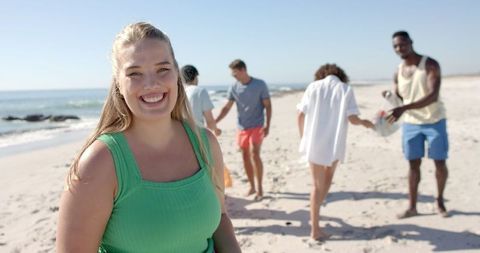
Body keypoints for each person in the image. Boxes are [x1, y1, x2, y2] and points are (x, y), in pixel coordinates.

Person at [56, 22, 241, 253]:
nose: (151, 84)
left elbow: (221, 221)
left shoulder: (205, 143)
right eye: (135, 73)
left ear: (176, 74)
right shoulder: (100, 162)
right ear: (118, 85)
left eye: (163, 69)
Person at [297, 64, 374, 240]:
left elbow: (300, 115)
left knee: (316, 186)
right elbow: (353, 119)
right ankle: (316, 220)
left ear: (321, 74)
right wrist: (365, 123)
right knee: (327, 180)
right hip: (334, 143)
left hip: (314, 143)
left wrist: (304, 138)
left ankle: (314, 227)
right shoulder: (345, 89)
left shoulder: (313, 87)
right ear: (340, 75)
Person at [385, 31, 449, 219]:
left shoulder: (429, 64)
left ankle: (440, 201)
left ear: (411, 42)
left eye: (402, 44)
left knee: (439, 162)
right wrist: (390, 99)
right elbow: (399, 100)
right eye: (395, 46)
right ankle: (412, 206)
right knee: (413, 165)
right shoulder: (398, 71)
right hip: (411, 123)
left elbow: (433, 96)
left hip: (434, 121)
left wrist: (404, 107)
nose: (399, 48)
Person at [216, 59, 271, 200]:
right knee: (245, 155)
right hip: (242, 127)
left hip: (257, 125)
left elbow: (268, 105)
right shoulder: (234, 87)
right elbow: (227, 107)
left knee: (254, 153)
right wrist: (215, 121)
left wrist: (267, 125)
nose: (233, 77)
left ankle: (259, 187)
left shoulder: (260, 84)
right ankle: (252, 186)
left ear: (243, 70)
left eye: (234, 74)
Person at [181, 64, 221, 136]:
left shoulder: (179, 92)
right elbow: (209, 120)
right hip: (196, 133)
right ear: (195, 77)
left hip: (180, 132)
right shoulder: (200, 91)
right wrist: (216, 130)